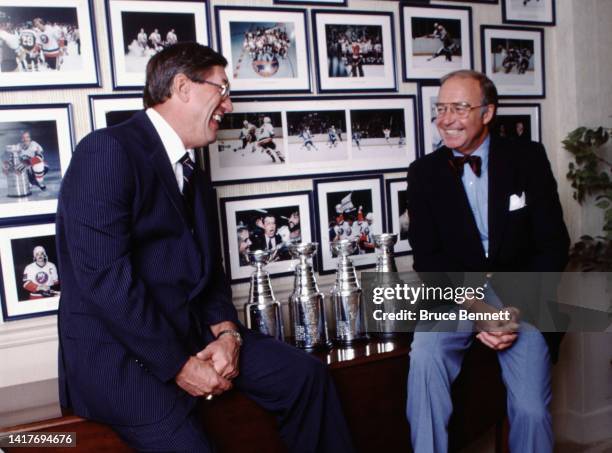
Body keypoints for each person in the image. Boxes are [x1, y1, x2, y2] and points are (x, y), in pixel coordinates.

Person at [56, 42, 354, 453]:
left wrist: (228, 334)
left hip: (192, 334)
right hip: (120, 358)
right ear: (182, 87)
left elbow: (206, 270)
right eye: (222, 90)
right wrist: (178, 365)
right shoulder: (107, 150)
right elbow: (107, 282)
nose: (228, 105)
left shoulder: (192, 167)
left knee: (306, 376)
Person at [405, 70, 569, 453]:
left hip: (522, 295)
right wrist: (479, 311)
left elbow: (553, 244)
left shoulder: (528, 158)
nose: (446, 119)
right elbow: (429, 260)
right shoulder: (423, 173)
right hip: (455, 293)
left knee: (530, 410)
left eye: (460, 108)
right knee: (424, 361)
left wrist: (512, 310)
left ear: (488, 112)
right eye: (441, 108)